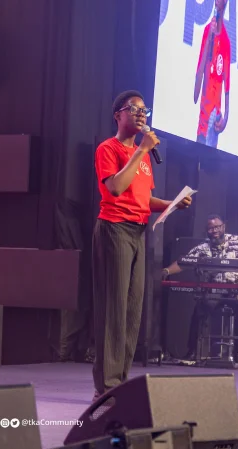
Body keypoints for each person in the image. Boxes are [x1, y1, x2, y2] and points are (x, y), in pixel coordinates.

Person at [92, 90, 192, 400]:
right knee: (114, 309)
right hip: (114, 229)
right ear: (117, 115)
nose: (140, 114)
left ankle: (120, 383)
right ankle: (106, 388)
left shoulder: (144, 157)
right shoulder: (109, 148)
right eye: (133, 109)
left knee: (132, 311)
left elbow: (144, 199)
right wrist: (141, 150)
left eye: (144, 110)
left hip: (138, 233)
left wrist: (172, 204)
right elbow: (116, 187)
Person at [163, 214, 238, 363]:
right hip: (214, 291)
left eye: (217, 227)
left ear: (224, 226)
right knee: (200, 309)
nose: (214, 231)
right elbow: (184, 262)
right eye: (210, 228)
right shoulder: (203, 247)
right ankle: (193, 351)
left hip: (237, 290)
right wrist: (166, 271)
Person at [194, 0, 230, 148]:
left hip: (214, 116)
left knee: (209, 153)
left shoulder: (226, 41)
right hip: (203, 115)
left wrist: (226, 116)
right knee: (198, 149)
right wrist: (209, 38)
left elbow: (227, 81)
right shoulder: (208, 31)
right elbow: (200, 69)